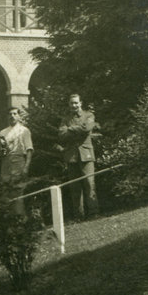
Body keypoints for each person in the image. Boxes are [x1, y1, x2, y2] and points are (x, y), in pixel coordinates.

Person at [57, 91, 97, 219]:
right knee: (75, 187)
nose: (74, 105)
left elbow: (87, 129)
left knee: (89, 183)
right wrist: (78, 129)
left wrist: (70, 129)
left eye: (76, 103)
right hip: (71, 156)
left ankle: (93, 213)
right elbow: (61, 134)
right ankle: (78, 216)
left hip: (86, 153)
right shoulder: (65, 119)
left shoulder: (88, 115)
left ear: (81, 103)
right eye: (71, 103)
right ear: (69, 104)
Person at [0, 106, 33, 214]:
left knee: (18, 191)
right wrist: (1, 149)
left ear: (19, 116)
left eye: (15, 114)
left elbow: (29, 150)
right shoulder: (3, 132)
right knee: (6, 190)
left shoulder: (24, 131)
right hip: (6, 163)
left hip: (19, 161)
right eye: (10, 114)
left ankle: (20, 218)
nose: (12, 116)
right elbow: (1, 151)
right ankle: (9, 218)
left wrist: (26, 167)